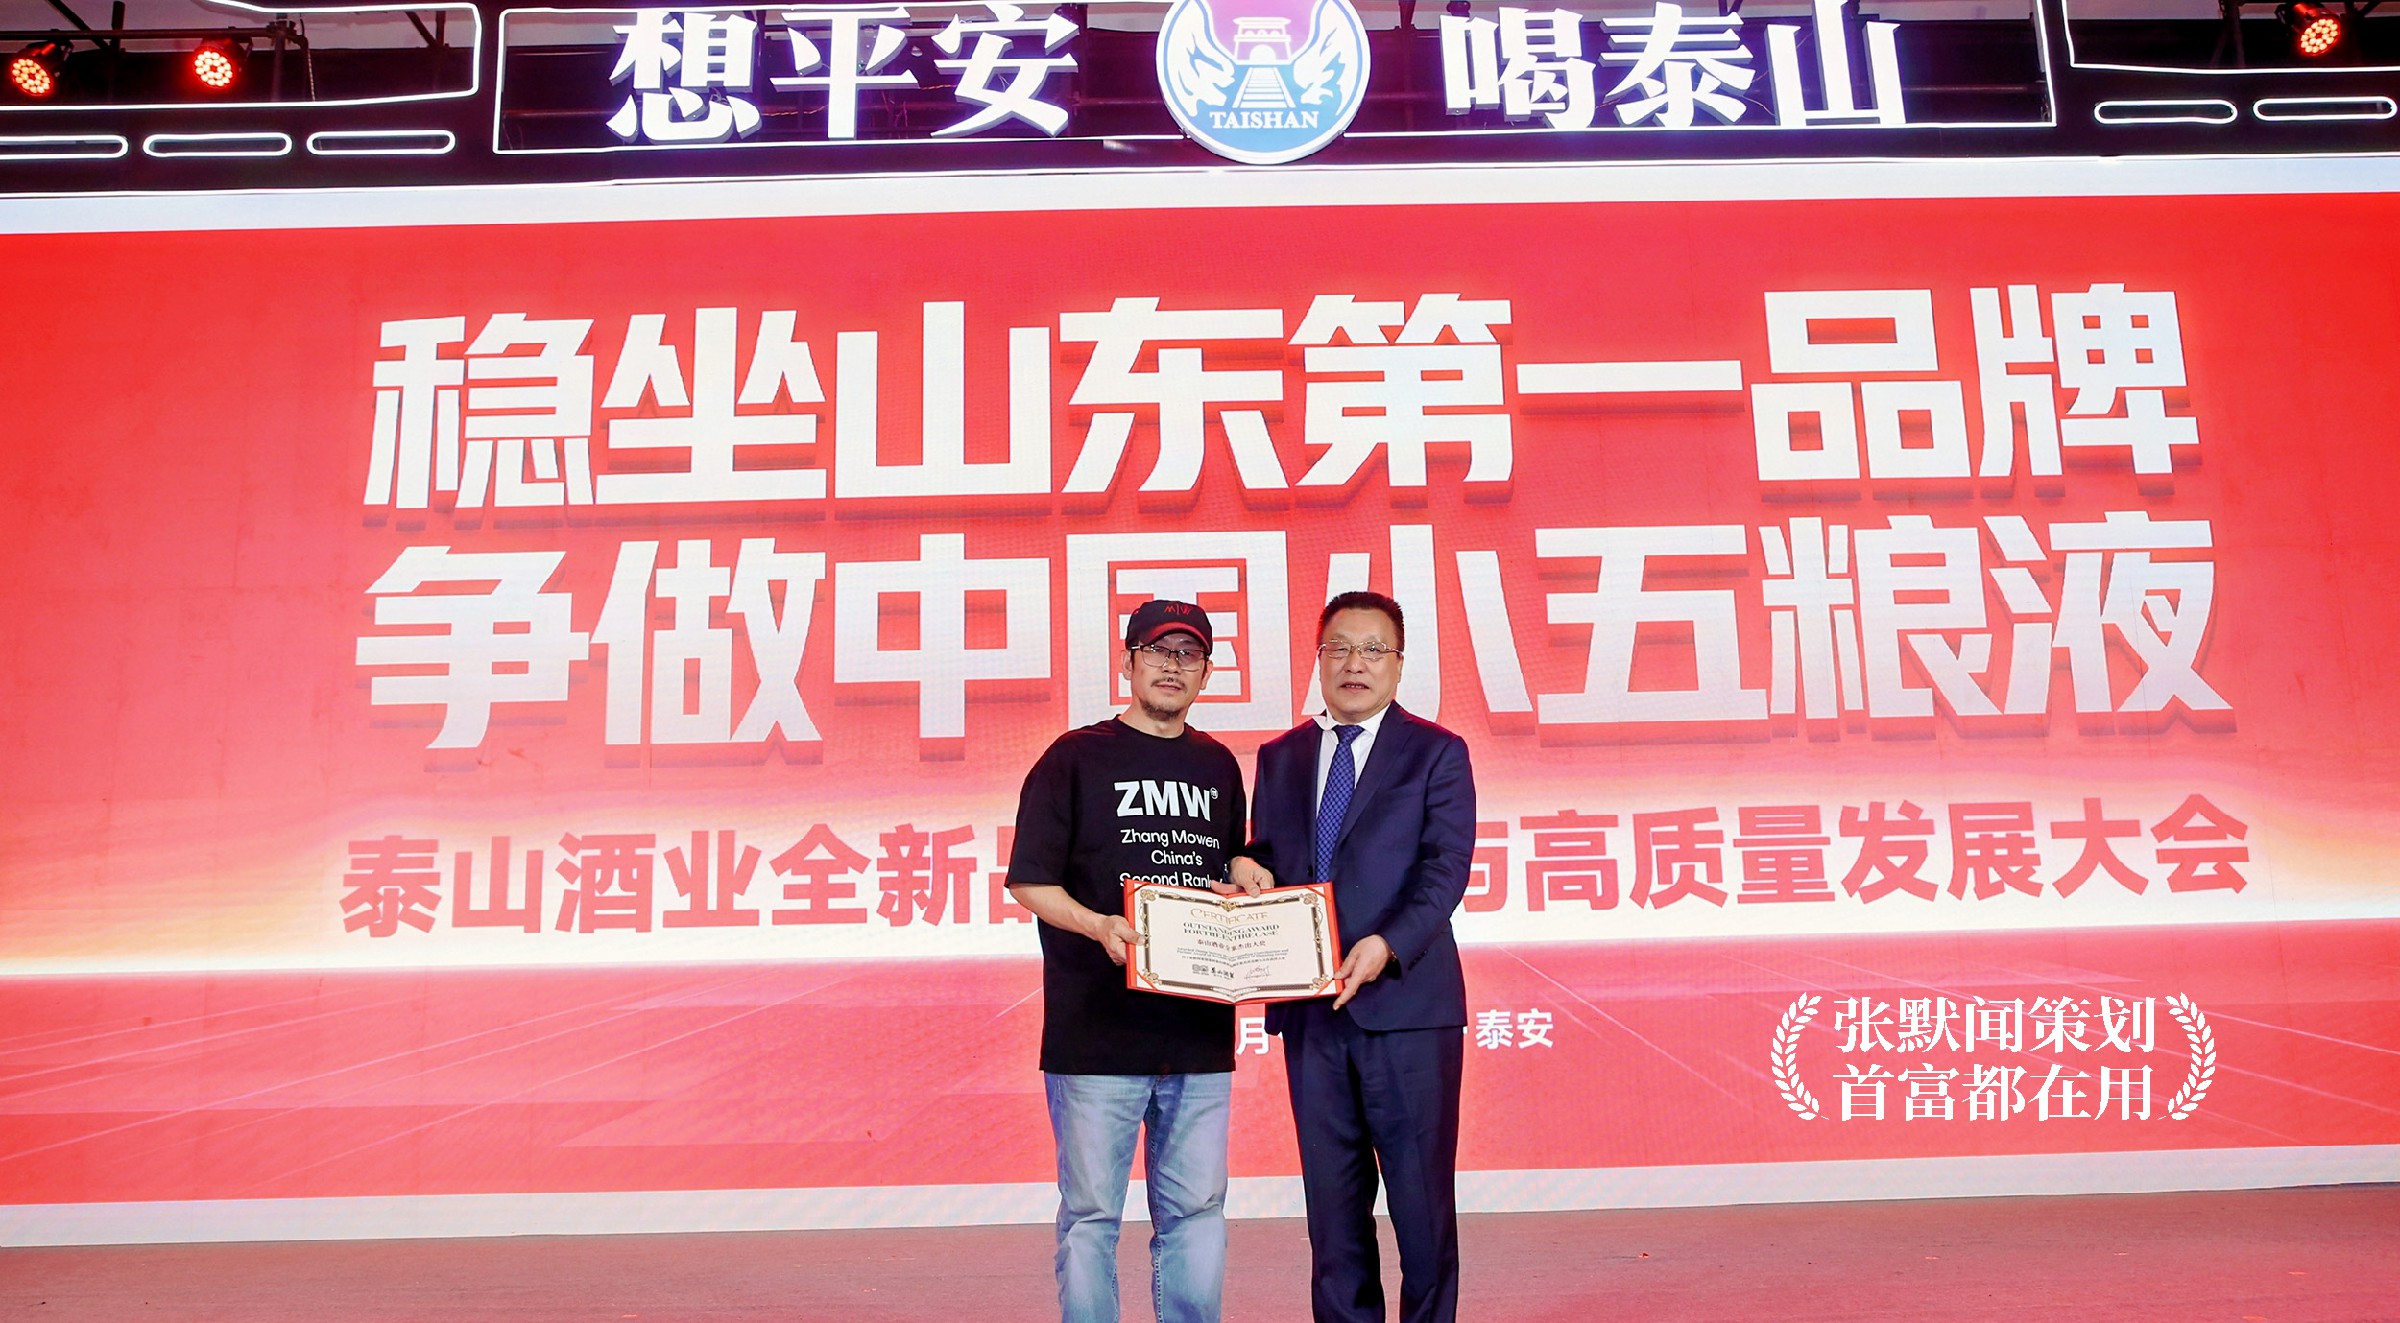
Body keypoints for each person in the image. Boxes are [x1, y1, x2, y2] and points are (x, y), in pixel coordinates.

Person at [1231, 590, 1476, 1323]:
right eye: (1339, 648)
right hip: (1312, 1014)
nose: (1354, 663)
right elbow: (1269, 854)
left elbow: (1444, 871)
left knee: (1421, 1207)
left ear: (1398, 665)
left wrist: (1386, 944)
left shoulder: (1436, 751)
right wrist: (1245, 865)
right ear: (1319, 659)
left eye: (1373, 649)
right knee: (1332, 1211)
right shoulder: (1281, 756)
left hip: (1407, 1009)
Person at [1006, 598, 1250, 1323]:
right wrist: (1096, 924)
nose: (1173, 667)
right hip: (1096, 1033)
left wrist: (1243, 876)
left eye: (1189, 655)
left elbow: (1226, 867)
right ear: (1128, 662)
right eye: (1158, 652)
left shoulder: (1217, 765)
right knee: (1090, 1216)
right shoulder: (1074, 757)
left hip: (1199, 1033)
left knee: (1198, 1212)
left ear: (1206, 672)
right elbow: (1029, 880)